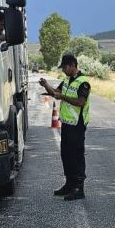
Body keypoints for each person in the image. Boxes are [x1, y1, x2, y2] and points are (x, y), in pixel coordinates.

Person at [39, 53, 91, 200]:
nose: (63, 70)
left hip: (77, 125)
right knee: (66, 155)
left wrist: (63, 97)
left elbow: (81, 102)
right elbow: (56, 93)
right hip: (67, 125)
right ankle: (69, 184)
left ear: (73, 65)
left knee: (76, 156)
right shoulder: (67, 81)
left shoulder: (83, 83)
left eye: (65, 67)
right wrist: (46, 85)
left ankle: (78, 189)